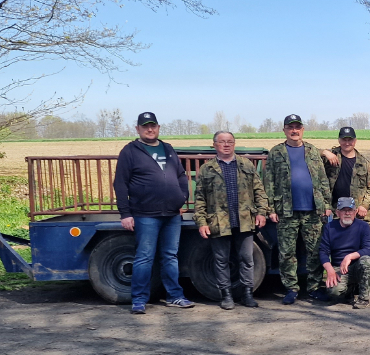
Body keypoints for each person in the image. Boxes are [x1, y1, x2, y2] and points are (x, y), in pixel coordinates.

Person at [113, 111, 194, 314]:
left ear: (158, 127)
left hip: (172, 214)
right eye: (145, 126)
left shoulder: (167, 148)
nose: (150, 129)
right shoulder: (130, 151)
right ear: (138, 129)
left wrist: (181, 197)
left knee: (170, 256)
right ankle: (139, 300)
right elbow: (120, 183)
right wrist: (125, 213)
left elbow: (181, 175)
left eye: (153, 126)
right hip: (145, 214)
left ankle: (175, 296)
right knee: (144, 257)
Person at [194, 131, 269, 309]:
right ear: (214, 145)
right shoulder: (207, 169)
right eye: (222, 142)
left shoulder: (246, 164)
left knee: (246, 258)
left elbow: (259, 190)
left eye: (230, 142)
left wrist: (261, 212)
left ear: (234, 144)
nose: (226, 145)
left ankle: (247, 294)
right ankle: (226, 296)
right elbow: (200, 198)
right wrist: (202, 222)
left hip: (244, 220)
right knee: (221, 260)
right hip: (219, 222)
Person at [263, 114, 332, 305]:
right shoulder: (276, 152)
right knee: (287, 252)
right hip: (287, 210)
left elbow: (323, 179)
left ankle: (314, 288)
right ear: (284, 130)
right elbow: (268, 182)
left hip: (313, 210)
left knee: (315, 250)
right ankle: (291, 288)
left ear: (302, 130)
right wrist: (270, 209)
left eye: (297, 127)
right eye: (290, 127)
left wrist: (327, 204)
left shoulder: (311, 151)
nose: (294, 130)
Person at [320, 197, 370, 308]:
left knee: (367, 261)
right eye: (344, 210)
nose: (347, 213)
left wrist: (349, 257)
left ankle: (363, 298)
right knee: (333, 292)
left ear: (355, 212)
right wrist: (330, 270)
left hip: (356, 265)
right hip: (339, 267)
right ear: (337, 212)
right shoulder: (329, 227)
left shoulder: (363, 226)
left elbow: (369, 249)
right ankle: (350, 289)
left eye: (350, 210)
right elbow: (323, 251)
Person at [323, 127, 370, 221]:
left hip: (358, 213)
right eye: (344, 140)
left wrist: (364, 206)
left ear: (355, 141)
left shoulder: (364, 163)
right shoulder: (329, 158)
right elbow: (308, 152)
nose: (347, 143)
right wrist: (324, 152)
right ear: (339, 140)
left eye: (350, 140)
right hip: (335, 212)